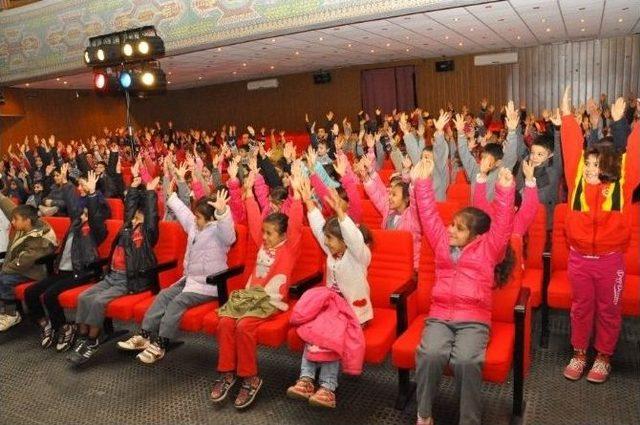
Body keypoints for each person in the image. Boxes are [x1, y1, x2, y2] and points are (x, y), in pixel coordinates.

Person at [412, 157, 516, 425]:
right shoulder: (441, 243)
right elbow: (428, 214)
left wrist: (505, 191)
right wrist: (422, 181)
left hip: (474, 320)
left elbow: (503, 227)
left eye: (459, 228)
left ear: (476, 235)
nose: (450, 230)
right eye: (452, 225)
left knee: (465, 361)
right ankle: (424, 415)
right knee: (430, 354)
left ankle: (468, 421)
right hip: (440, 316)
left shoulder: (490, 250)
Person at [559, 88, 639, 383]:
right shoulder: (577, 181)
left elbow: (635, 154)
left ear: (608, 166)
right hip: (579, 260)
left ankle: (603, 355)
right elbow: (570, 147)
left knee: (608, 310)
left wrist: (633, 121)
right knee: (580, 309)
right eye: (588, 164)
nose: (591, 169)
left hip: (610, 262)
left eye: (597, 165)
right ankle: (580, 353)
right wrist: (567, 117)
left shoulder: (621, 185)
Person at [209, 167, 303, 410]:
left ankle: (251, 377)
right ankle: (228, 372)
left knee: (244, 326)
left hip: (271, 300)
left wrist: (299, 196)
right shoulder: (262, 242)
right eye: (265, 233)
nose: (266, 237)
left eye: (270, 234)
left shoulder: (290, 247)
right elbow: (254, 221)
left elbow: (296, 225)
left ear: (283, 234)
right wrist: (248, 193)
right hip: (250, 297)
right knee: (226, 321)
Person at [117, 189, 236, 364]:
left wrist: (222, 212)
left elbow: (229, 235)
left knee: (178, 301)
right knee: (164, 294)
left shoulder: (219, 232)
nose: (195, 219)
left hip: (209, 285)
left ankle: (161, 343)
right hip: (190, 280)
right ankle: (145, 335)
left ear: (210, 219)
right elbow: (183, 213)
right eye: (195, 216)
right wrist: (171, 195)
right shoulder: (195, 226)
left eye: (199, 217)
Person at [286, 184, 371, 408]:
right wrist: (309, 203)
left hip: (352, 311)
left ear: (344, 241)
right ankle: (305, 379)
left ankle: (328, 387)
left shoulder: (358, 256)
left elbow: (354, 238)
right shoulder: (333, 251)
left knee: (332, 334)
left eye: (331, 240)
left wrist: (342, 214)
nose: (327, 244)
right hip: (331, 308)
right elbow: (318, 227)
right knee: (312, 327)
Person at [67, 175, 160, 365]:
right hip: (111, 277)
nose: (134, 222)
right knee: (84, 297)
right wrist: (133, 188)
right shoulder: (126, 228)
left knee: (99, 301)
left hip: (129, 280)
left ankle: (93, 341)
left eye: (139, 220)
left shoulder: (147, 235)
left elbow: (151, 217)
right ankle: (83, 337)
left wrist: (150, 192)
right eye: (134, 219)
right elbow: (129, 212)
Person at [24, 171, 109, 351]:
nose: (82, 215)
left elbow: (93, 217)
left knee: (49, 295)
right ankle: (45, 324)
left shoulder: (95, 230)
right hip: (62, 272)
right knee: (31, 293)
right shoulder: (74, 225)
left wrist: (91, 194)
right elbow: (73, 207)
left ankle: (64, 327)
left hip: (81, 272)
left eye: (87, 213)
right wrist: (65, 184)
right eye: (81, 212)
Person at [0, 196, 57, 331]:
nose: (12, 222)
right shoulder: (25, 222)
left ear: (27, 221)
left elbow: (25, 261)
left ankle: (11, 314)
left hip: (36, 271)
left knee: (4, 279)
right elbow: (10, 208)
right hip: (22, 266)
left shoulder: (40, 237)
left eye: (15, 220)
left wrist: (5, 268)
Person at [455, 101, 519, 202]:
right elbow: (464, 153)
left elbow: (510, 155)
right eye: (482, 157)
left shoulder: (501, 172)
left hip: (493, 216)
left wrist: (511, 131)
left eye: (487, 159)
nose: (482, 161)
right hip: (476, 216)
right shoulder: (475, 171)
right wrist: (460, 133)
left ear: (498, 163)